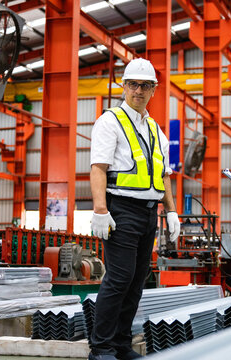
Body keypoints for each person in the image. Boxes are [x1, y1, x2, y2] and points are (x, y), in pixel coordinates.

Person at [89, 58, 181, 360]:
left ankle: (120, 344)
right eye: (133, 84)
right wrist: (100, 210)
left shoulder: (157, 131)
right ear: (124, 86)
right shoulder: (110, 121)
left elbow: (164, 175)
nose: (138, 90)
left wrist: (171, 211)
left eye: (145, 85)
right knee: (119, 277)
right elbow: (98, 168)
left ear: (153, 90)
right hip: (121, 209)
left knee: (137, 279)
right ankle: (100, 348)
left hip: (148, 213)